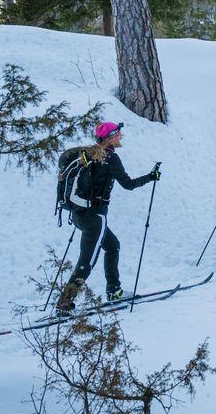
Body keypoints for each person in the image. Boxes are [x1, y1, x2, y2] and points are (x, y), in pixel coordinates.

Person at [56, 122, 160, 315]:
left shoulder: (89, 154)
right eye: (118, 134)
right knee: (86, 262)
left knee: (112, 246)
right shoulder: (110, 157)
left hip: (80, 215)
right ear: (110, 137)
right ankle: (64, 303)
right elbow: (128, 184)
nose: (120, 136)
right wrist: (151, 177)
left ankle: (113, 290)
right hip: (95, 218)